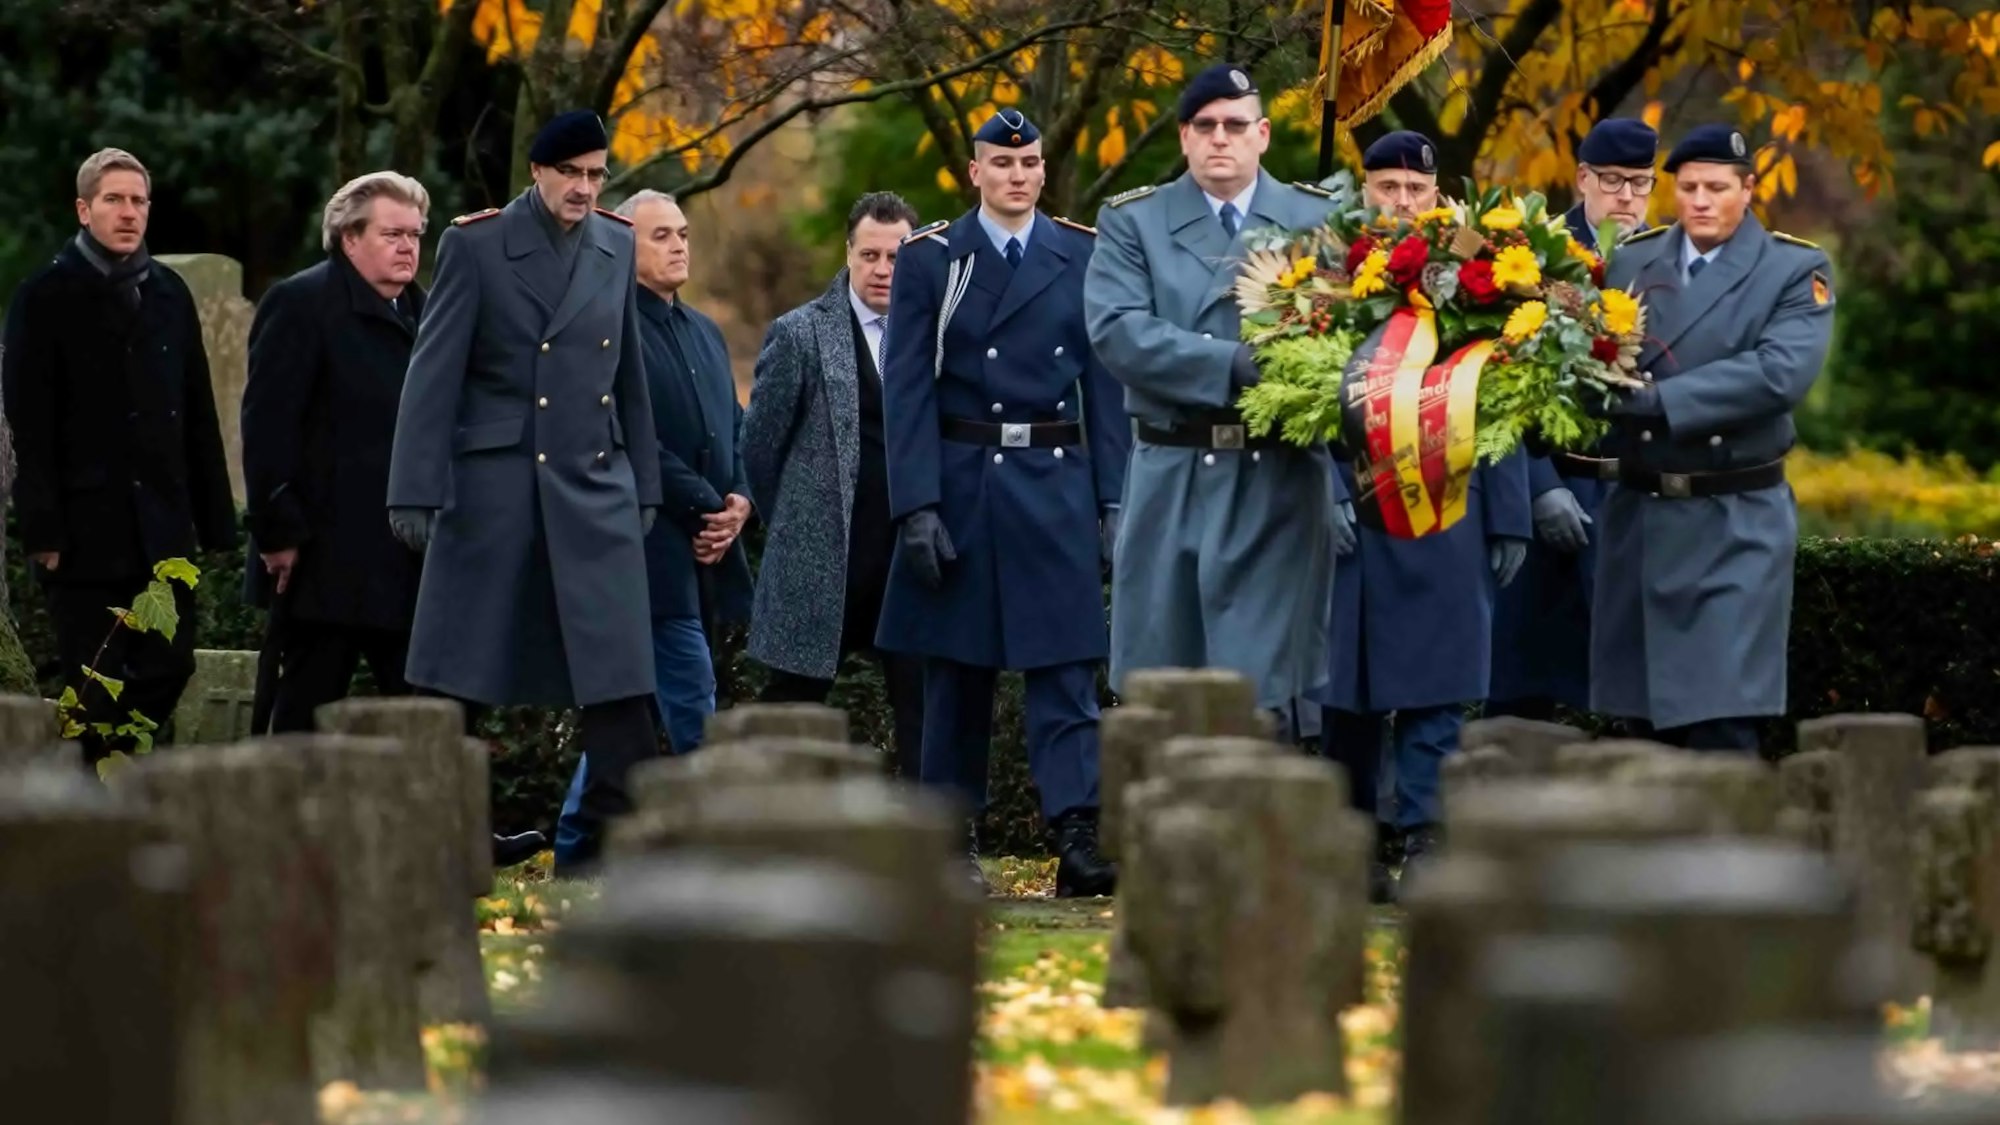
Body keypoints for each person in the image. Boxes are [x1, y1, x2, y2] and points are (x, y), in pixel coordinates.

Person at [386, 110, 662, 874]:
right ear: (537, 172)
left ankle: (606, 852)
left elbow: (628, 375)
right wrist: (413, 489)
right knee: (455, 680)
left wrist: (645, 478)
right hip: (495, 485)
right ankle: (440, 842)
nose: (583, 187)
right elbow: (432, 378)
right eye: (570, 173)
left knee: (621, 683)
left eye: (596, 174)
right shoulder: (475, 245)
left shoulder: (616, 241)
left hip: (592, 483)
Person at [879, 109, 1128, 896]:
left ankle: (1077, 835)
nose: (1017, 176)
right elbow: (907, 387)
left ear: (1043, 171)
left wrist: (1114, 501)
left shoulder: (1081, 254)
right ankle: (952, 840)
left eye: (1029, 165)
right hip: (964, 482)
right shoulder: (933, 260)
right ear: (975, 171)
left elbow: (1106, 390)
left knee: (1065, 673)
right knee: (957, 676)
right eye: (1001, 163)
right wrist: (914, 502)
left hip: (1053, 478)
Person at [1083, 63, 1350, 736]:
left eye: (1236, 125)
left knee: (1270, 698)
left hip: (1278, 477)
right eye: (1205, 126)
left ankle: (1270, 834)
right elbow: (1119, 332)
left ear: (1262, 134)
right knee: (1169, 693)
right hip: (1174, 473)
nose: (1220, 139)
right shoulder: (1134, 221)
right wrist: (1231, 362)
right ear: (1184, 137)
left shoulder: (1316, 220)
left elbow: (1351, 334)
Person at [1320, 130, 1532, 895]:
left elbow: (1504, 395)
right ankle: (1351, 841)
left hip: (1448, 501)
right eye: (1387, 186)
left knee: (1437, 684)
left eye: (1415, 188)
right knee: (1345, 686)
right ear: (1364, 187)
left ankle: (1424, 835)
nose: (1402, 201)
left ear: (1437, 194)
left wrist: (1510, 514)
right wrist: (1323, 489)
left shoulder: (1481, 271)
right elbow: (1298, 387)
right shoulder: (1327, 267)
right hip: (1354, 499)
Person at [1594, 123, 1835, 752]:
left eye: (1717, 188)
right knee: (1641, 732)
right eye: (1689, 187)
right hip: (1641, 516)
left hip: (1734, 517)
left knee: (1720, 722)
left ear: (1748, 190)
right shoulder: (1630, 261)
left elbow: (1778, 374)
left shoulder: (1793, 268)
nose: (1701, 200)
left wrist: (1660, 400)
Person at [2, 148, 236, 763]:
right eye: (113, 200)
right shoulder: (45, 296)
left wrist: (214, 523)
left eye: (138, 200)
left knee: (172, 664)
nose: (128, 212)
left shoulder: (168, 293)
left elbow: (198, 411)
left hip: (162, 528)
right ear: (84, 209)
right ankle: (89, 807)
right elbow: (30, 423)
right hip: (84, 533)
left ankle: (113, 777)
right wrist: (42, 530)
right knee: (94, 684)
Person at [548, 189, 755, 868]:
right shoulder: (612, 329)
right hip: (645, 549)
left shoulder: (704, 330)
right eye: (660, 234)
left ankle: (576, 847)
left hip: (705, 550)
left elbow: (734, 429)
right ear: (624, 245)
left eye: (683, 233)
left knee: (631, 713)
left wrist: (740, 503)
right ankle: (720, 850)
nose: (678, 245)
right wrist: (706, 504)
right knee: (690, 699)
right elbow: (637, 442)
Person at [741, 191, 927, 776]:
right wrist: (798, 522)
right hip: (824, 558)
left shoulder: (936, 337)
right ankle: (745, 824)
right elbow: (758, 446)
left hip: (910, 558)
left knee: (925, 703)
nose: (882, 269)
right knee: (791, 703)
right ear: (848, 253)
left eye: (896, 256)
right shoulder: (799, 334)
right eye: (869, 255)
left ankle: (941, 846)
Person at [242, 172, 431, 735]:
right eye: (392, 234)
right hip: (322, 560)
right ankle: (274, 820)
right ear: (349, 239)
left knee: (430, 712)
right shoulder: (301, 304)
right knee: (303, 710)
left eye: (416, 235)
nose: (408, 247)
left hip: (406, 557)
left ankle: (438, 823)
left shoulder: (427, 312)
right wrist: (277, 533)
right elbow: (268, 425)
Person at [1487, 118, 1658, 721]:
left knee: (1634, 698)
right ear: (1583, 177)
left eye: (1641, 182)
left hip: (1635, 493)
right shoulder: (1531, 257)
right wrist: (1541, 487)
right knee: (1523, 693)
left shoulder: (1665, 261)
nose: (1628, 197)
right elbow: (1494, 385)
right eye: (1613, 181)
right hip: (1550, 488)